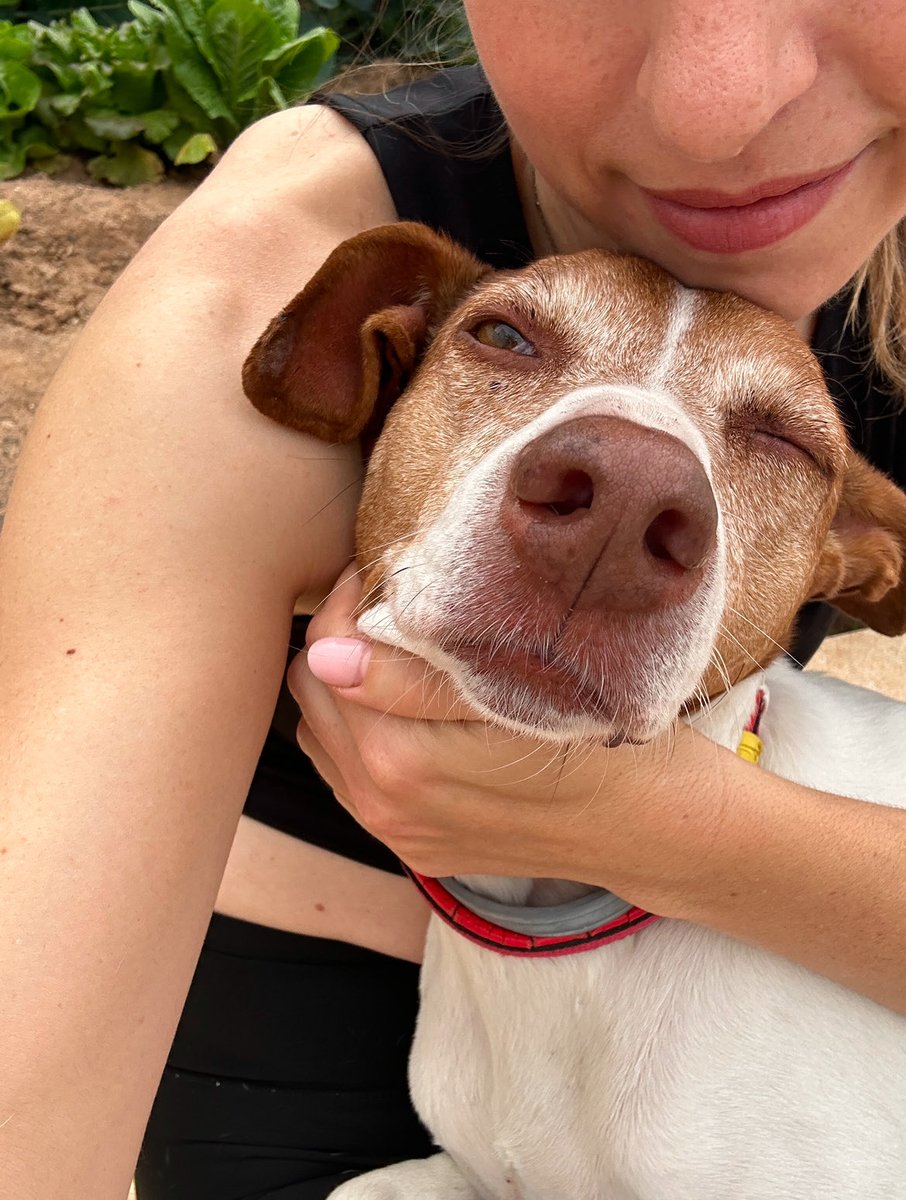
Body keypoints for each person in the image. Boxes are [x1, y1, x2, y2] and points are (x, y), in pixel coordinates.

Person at [2, 2, 906, 1197]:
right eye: (511, 345)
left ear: (852, 558)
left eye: (778, 446)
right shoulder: (256, 278)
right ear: (378, 341)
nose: (718, 106)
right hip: (321, 1036)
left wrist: (649, 823)